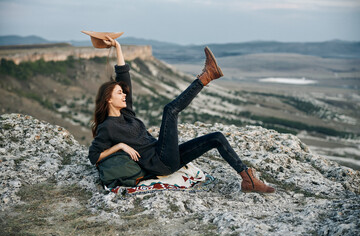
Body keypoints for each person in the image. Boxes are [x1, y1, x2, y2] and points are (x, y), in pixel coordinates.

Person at [88, 36, 275, 193]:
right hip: (159, 163)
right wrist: (120, 146)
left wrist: (117, 46)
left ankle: (247, 179)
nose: (124, 94)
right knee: (169, 111)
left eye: (123, 92)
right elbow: (94, 156)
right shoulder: (108, 127)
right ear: (108, 100)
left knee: (216, 138)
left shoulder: (126, 113)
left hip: (166, 155)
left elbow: (123, 74)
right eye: (119, 93)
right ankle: (206, 77)